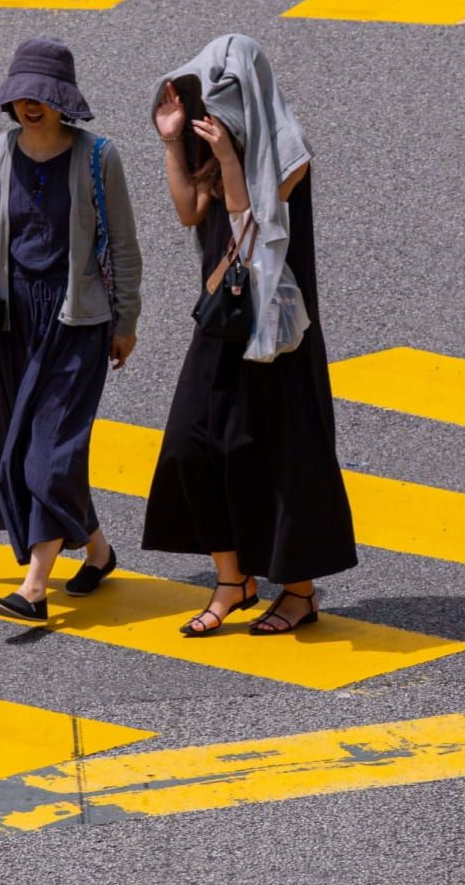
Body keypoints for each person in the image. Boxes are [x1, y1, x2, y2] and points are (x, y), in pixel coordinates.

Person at [142, 34, 357, 636]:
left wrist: (233, 162)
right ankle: (232, 580)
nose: (211, 114)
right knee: (191, 442)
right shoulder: (211, 149)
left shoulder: (288, 152)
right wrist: (170, 143)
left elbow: (254, 223)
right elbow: (191, 212)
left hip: (276, 326)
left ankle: (298, 590)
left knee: (281, 451)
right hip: (223, 315)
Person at [0, 38, 143, 623]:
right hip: (13, 323)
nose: (32, 104)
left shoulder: (97, 156)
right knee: (35, 448)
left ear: (64, 102)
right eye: (23, 95)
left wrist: (127, 321)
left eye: (44, 95)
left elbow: (127, 248)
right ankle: (99, 551)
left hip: (77, 320)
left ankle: (34, 588)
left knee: (47, 453)